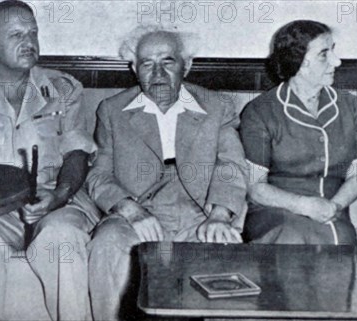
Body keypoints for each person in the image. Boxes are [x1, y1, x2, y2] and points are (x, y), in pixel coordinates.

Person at [0, 1, 99, 319]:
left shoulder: (63, 89)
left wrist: (60, 195)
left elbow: (77, 153)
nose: (29, 42)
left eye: (33, 33)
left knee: (61, 239)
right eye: (16, 35)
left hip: (58, 203)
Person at [86, 25, 248, 320]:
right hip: (137, 210)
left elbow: (231, 166)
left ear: (187, 66)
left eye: (168, 62)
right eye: (147, 63)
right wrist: (130, 210)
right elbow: (99, 175)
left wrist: (220, 215)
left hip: (199, 212)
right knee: (106, 244)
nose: (157, 74)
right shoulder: (111, 110)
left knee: (224, 250)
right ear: (134, 69)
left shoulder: (216, 106)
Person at [239, 20, 357, 245]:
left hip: (333, 213)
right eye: (324, 54)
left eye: (334, 50)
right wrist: (304, 205)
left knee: (341, 241)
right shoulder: (260, 111)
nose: (336, 61)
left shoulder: (350, 106)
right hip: (275, 213)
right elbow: (255, 187)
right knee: (291, 240)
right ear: (297, 61)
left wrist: (334, 206)